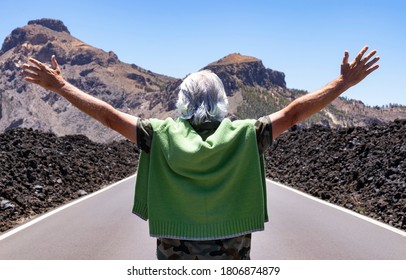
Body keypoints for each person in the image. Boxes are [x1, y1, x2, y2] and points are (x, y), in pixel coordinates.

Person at [22, 46, 379, 259]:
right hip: (232, 250)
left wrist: (62, 86)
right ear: (222, 101)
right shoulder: (247, 134)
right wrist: (342, 84)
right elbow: (294, 112)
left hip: (175, 248)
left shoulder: (159, 134)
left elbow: (109, 117)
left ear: (181, 101)